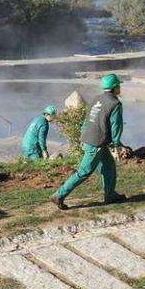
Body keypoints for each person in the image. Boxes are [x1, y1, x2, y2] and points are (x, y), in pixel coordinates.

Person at [51, 74, 129, 210]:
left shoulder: (96, 99)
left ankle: (110, 195)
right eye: (118, 85)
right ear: (114, 87)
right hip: (96, 143)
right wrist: (116, 144)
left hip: (90, 138)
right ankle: (58, 195)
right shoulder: (115, 104)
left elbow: (87, 120)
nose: (120, 87)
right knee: (84, 172)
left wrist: (83, 136)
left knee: (109, 167)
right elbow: (116, 126)